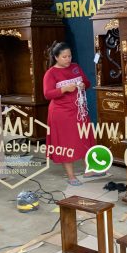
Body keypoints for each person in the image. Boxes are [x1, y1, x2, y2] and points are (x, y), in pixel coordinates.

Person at [43, 42, 103, 186]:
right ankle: (71, 176)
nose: (68, 59)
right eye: (64, 57)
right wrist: (64, 90)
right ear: (56, 57)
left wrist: (83, 85)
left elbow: (87, 82)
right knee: (66, 143)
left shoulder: (75, 67)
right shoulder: (50, 73)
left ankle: (90, 169)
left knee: (85, 138)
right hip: (61, 113)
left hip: (79, 110)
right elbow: (47, 94)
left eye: (69, 56)